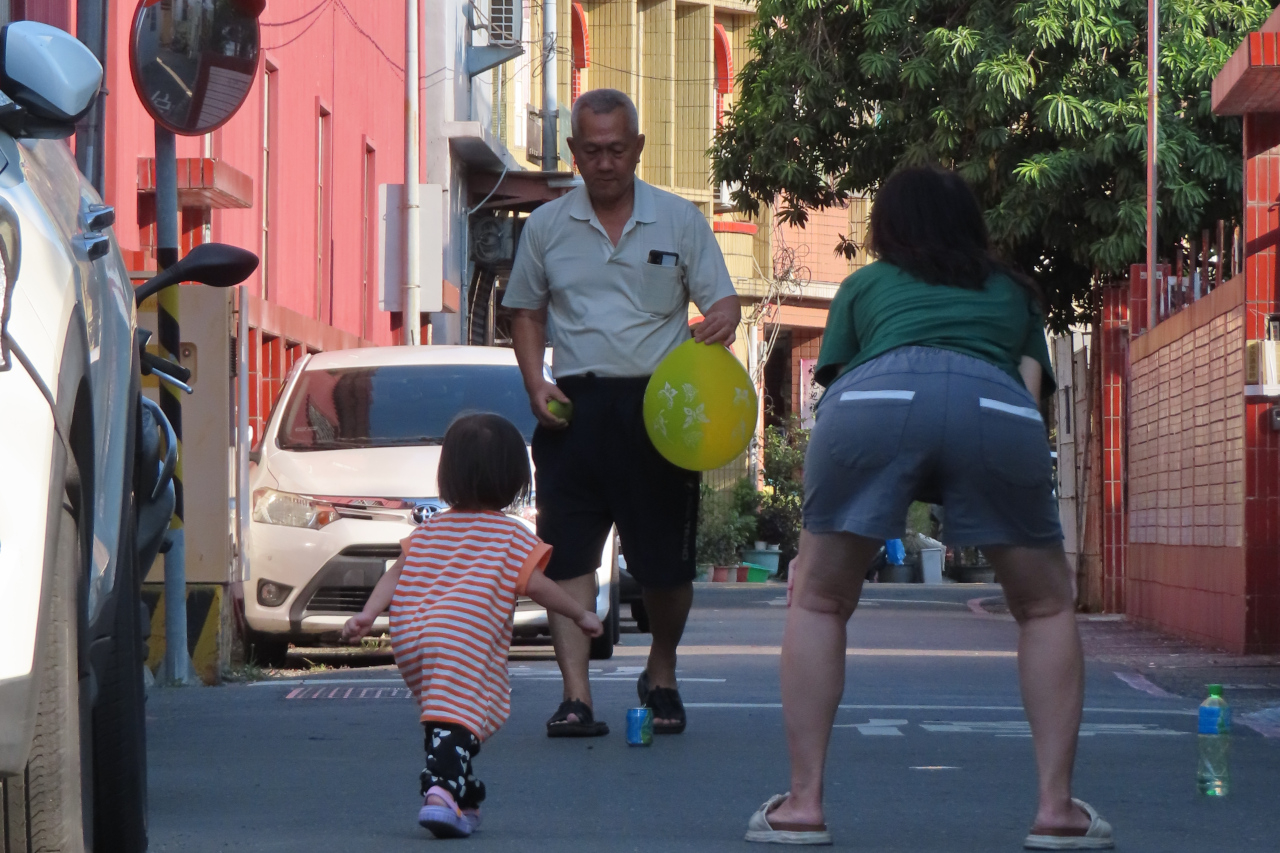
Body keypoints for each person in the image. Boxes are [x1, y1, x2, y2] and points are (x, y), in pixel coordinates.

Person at [745, 167, 1113, 850]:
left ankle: (802, 804)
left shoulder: (861, 287)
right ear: (972, 225)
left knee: (821, 601)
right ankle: (1057, 808)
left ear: (885, 229)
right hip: (994, 406)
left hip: (874, 401)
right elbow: (1028, 396)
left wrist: (811, 545)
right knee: (1045, 605)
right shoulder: (1013, 292)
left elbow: (841, 396)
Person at [502, 88, 741, 737]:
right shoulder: (548, 226)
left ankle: (661, 672)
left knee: (666, 565)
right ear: (574, 153)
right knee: (569, 558)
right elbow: (525, 309)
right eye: (592, 150)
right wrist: (533, 380)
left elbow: (723, 301)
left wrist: (721, 317)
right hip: (574, 410)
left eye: (616, 149)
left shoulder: (678, 219)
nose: (605, 162)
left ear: (637, 148)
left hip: (659, 412)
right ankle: (576, 697)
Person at [342, 413, 604, 839]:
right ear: (514, 480)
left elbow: (396, 574)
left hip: (413, 636)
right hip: (462, 638)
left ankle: (463, 796)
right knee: (462, 714)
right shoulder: (511, 536)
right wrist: (580, 614)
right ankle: (440, 792)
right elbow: (540, 587)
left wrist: (368, 615)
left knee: (444, 712)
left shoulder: (429, 530)